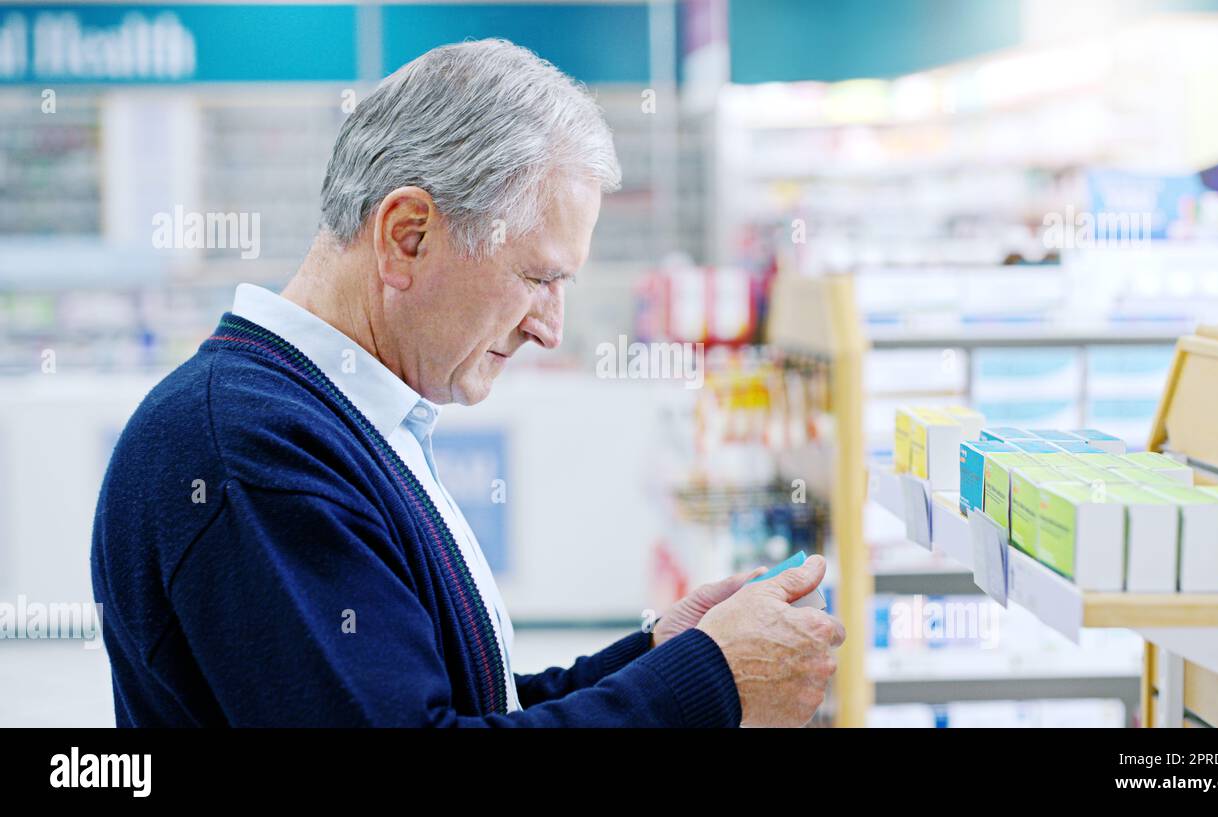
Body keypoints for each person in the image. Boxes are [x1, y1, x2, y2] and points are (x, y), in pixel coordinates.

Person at [91, 38, 844, 727]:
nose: (550, 326)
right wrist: (708, 681)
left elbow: (450, 699)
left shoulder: (332, 418)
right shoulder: (250, 452)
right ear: (406, 236)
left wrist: (660, 655)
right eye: (538, 277)